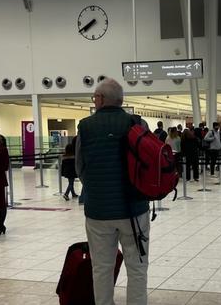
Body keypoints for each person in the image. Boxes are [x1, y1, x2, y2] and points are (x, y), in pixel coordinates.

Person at [76, 78, 150, 305]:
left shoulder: (85, 126)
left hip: (98, 212)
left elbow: (80, 167)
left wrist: (96, 187)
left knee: (101, 268)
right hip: (134, 210)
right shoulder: (138, 123)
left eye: (95, 97)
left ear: (100, 99)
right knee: (137, 268)